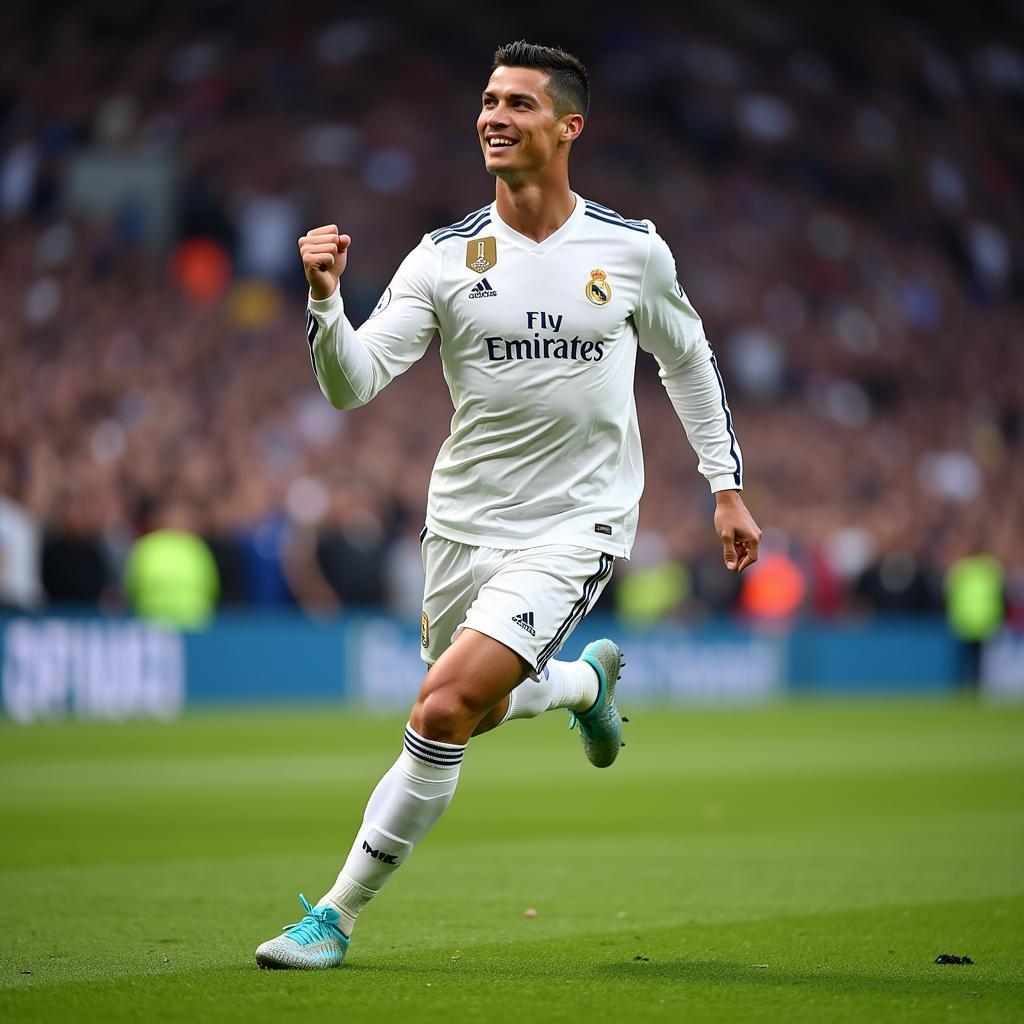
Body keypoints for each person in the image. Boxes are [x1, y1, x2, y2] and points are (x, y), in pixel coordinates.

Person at [256, 40, 761, 970]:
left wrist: (724, 486)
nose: (494, 116)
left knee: (443, 707)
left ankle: (332, 915)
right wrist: (327, 306)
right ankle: (583, 684)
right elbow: (353, 384)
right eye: (488, 100)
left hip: (577, 524)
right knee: (477, 712)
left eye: (519, 104)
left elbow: (686, 359)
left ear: (569, 126)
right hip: (461, 526)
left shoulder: (630, 250)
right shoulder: (445, 258)